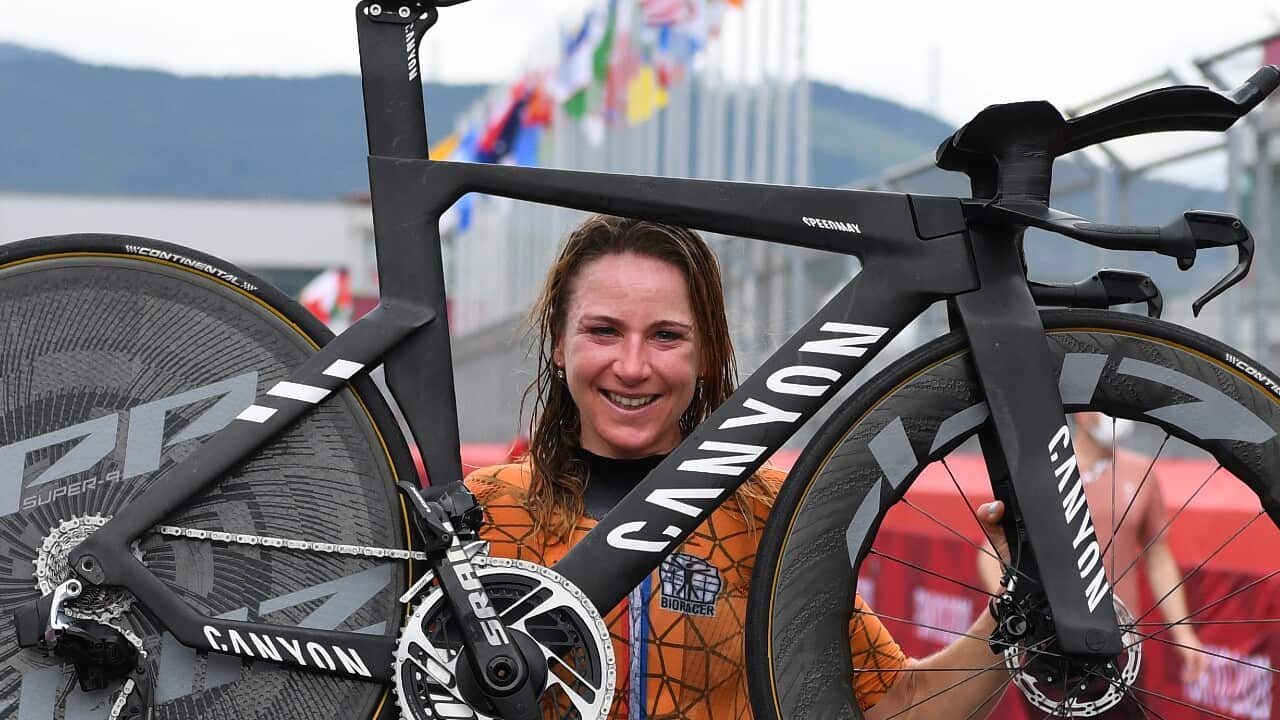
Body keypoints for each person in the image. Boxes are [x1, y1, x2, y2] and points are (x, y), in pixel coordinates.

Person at [464, 215, 1012, 719]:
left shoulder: (774, 513)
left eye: (666, 336)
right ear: (559, 343)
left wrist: (1014, 613)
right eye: (603, 331)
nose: (632, 367)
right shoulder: (483, 512)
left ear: (707, 352)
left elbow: (900, 703)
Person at [978, 412, 1208, 717]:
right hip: (1049, 646)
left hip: (1122, 647)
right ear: (1081, 416)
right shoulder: (1040, 473)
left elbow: (1158, 556)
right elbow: (991, 553)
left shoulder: (1141, 473)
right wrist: (1015, 612)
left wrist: (1184, 633)